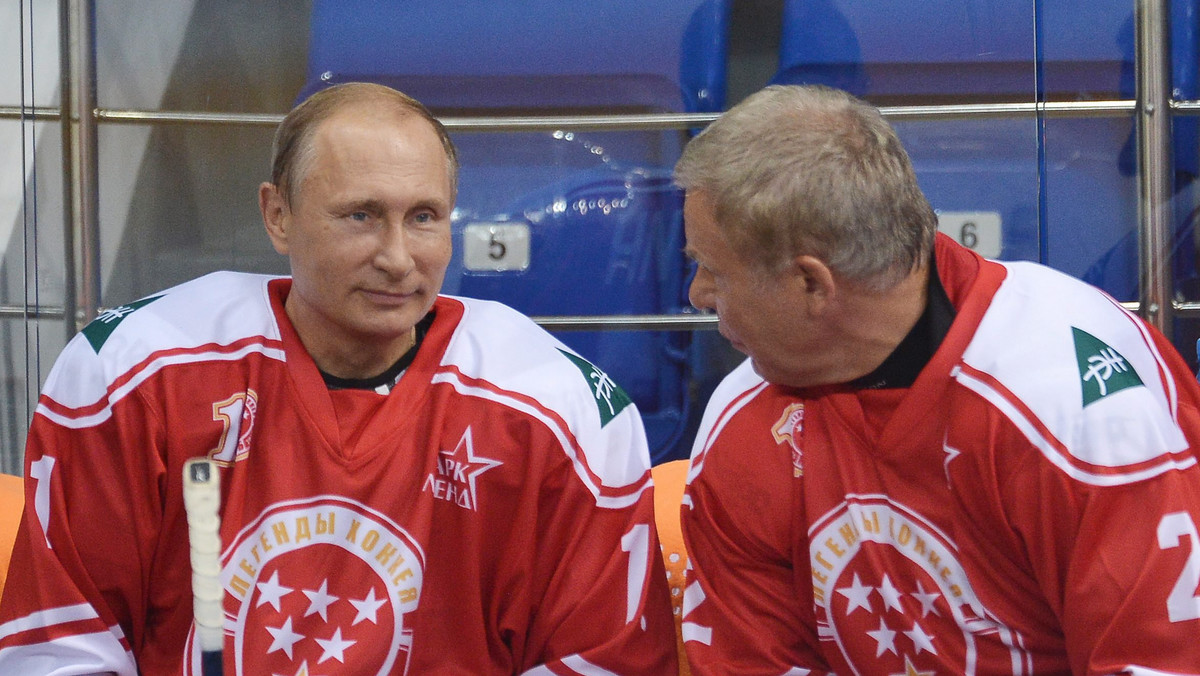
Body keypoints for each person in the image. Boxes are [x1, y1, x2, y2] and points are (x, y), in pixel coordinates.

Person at [0, 82, 678, 674]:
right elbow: (61, 649)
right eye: (360, 216)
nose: (396, 257)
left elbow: (603, 661)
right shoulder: (132, 374)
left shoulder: (561, 408)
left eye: (423, 217)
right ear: (277, 216)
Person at [675, 84, 1200, 675]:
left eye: (713, 270)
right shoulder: (744, 417)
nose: (697, 295)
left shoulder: (1071, 407)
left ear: (812, 285)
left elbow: (1162, 662)